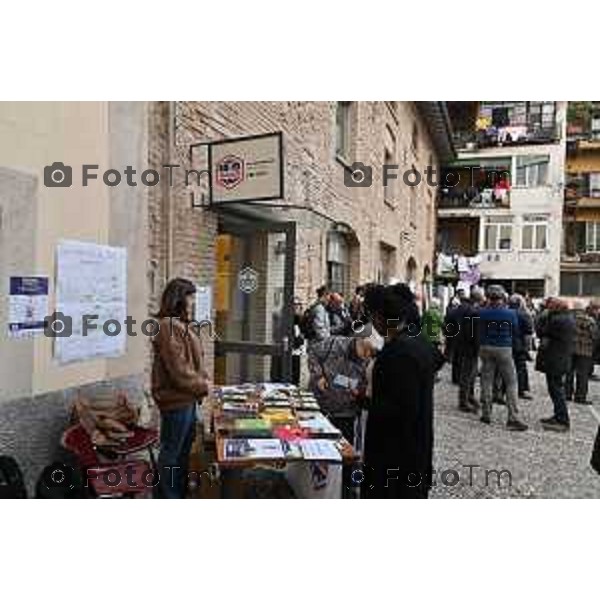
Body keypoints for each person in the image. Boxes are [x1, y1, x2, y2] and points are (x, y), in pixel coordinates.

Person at [361, 283, 441, 499]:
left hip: (395, 458)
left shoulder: (398, 352)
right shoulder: (419, 342)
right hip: (417, 449)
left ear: (379, 317)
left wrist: (366, 401)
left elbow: (398, 410)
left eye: (371, 319)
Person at [152, 278, 210, 498]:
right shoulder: (167, 326)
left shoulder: (180, 324)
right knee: (172, 452)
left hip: (188, 399)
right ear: (179, 298)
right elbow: (179, 370)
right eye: (190, 296)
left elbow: (192, 363)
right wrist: (204, 385)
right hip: (177, 401)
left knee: (182, 452)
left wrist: (201, 382)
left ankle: (178, 492)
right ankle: (167, 495)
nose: (193, 301)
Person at [478, 285, 528, 431]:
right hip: (504, 347)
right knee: (511, 382)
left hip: (486, 346)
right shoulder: (510, 313)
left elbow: (478, 330)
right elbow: (515, 331)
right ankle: (513, 417)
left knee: (486, 380)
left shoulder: (482, 313)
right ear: (502, 297)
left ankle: (486, 413)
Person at [535, 298, 576, 432]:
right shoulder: (567, 317)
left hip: (555, 360)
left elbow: (540, 331)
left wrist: (542, 316)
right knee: (556, 389)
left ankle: (563, 420)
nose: (548, 307)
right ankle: (558, 416)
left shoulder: (557, 320)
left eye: (550, 306)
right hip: (561, 359)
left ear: (556, 307)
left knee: (556, 390)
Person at [456, 288, 484, 413]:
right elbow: (473, 333)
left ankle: (468, 397)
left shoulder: (462, 307)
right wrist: (478, 346)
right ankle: (464, 401)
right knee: (468, 375)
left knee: (469, 373)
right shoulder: (472, 311)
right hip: (470, 347)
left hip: (462, 344)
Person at [565, 300, 597, 406]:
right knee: (582, 375)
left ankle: (567, 394)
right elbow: (595, 336)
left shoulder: (569, 319)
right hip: (585, 351)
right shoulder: (590, 320)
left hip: (570, 349)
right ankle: (580, 397)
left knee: (569, 372)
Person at [508, 294, 533, 400]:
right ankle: (521, 390)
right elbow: (528, 334)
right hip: (519, 345)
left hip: (507, 344)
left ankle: (505, 389)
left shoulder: (507, 313)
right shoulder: (524, 315)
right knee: (521, 369)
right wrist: (528, 349)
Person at [291, 297, 305, 386]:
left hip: (297, 351)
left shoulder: (300, 318)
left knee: (296, 373)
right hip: (289, 350)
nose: (297, 307)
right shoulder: (287, 318)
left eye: (298, 305)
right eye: (295, 305)